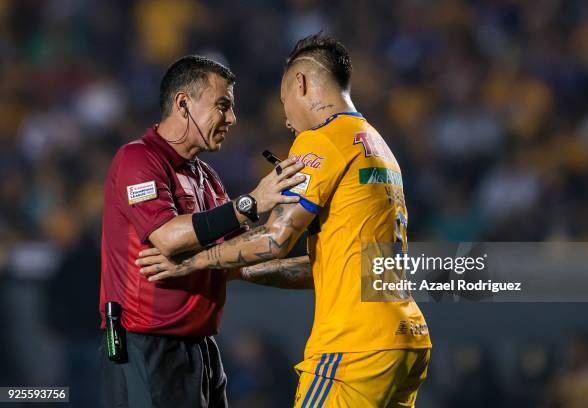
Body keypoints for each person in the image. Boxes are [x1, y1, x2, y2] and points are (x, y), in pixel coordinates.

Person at [137, 34, 432, 407]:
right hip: (404, 339)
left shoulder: (322, 140)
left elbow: (275, 237)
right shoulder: (376, 145)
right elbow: (326, 267)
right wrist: (236, 270)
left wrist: (194, 262)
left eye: (284, 102)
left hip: (353, 346)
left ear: (301, 83)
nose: (287, 119)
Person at [99, 55, 305, 408]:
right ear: (183, 103)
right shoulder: (137, 159)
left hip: (202, 348)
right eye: (222, 105)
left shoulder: (206, 177)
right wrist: (251, 203)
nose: (232, 118)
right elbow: (166, 236)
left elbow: (231, 258)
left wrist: (322, 262)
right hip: (147, 345)